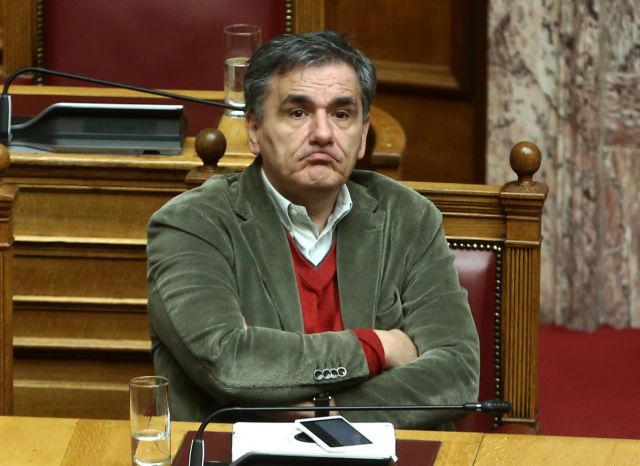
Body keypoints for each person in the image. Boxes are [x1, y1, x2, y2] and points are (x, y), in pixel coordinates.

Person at [146, 30, 479, 429]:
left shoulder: (409, 218)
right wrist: (378, 346)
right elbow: (230, 363)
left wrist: (325, 410)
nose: (323, 133)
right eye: (298, 112)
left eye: (341, 114)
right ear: (254, 130)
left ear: (362, 136)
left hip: (387, 455)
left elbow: (456, 374)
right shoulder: (192, 223)